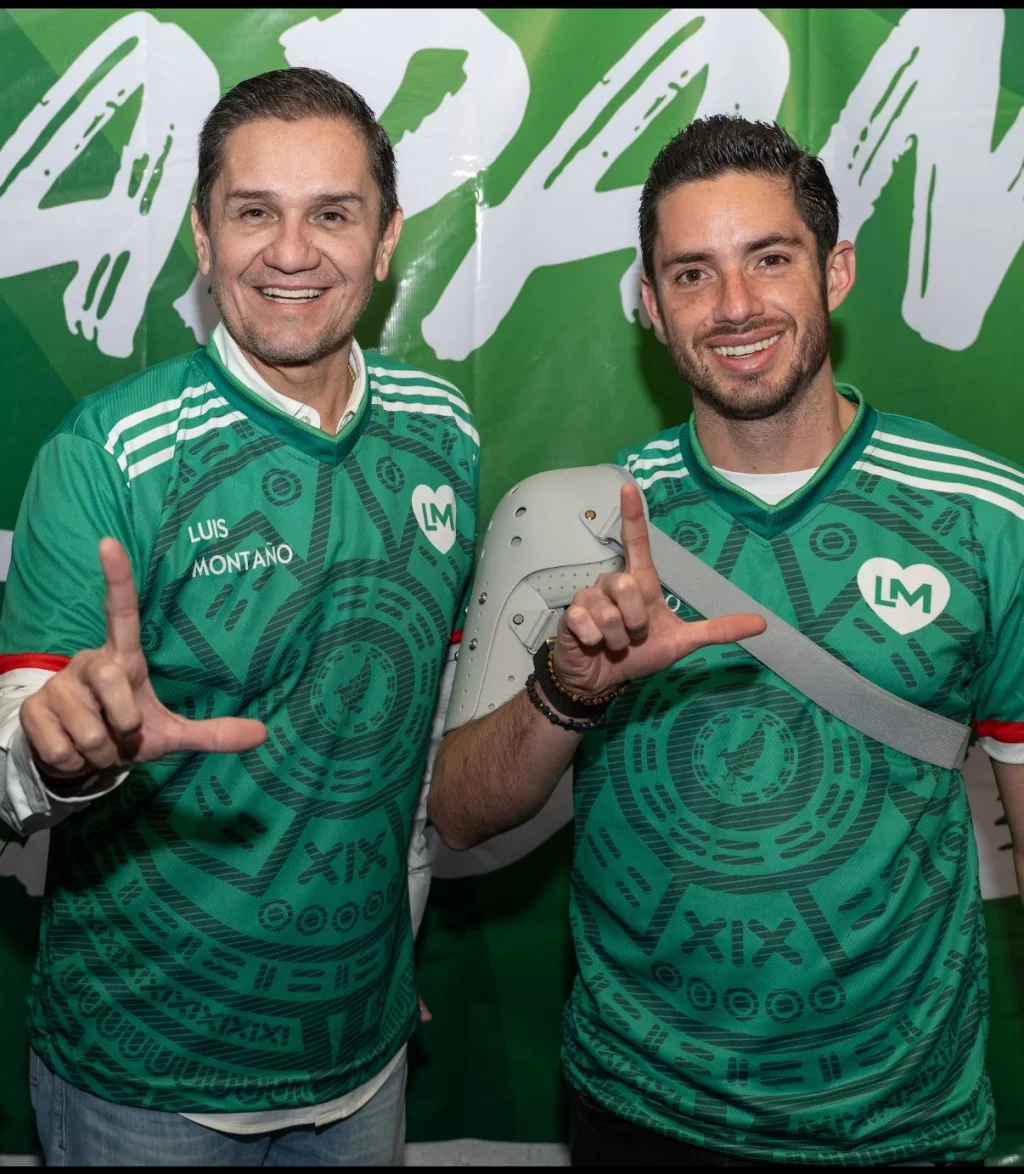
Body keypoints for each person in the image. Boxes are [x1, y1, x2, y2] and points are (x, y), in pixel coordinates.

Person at [429, 115, 1024, 1166]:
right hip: (640, 1113)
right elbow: (459, 814)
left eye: (770, 259)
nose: (736, 305)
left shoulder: (985, 518)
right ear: (650, 305)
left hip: (900, 1129)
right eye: (692, 274)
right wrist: (568, 689)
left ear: (835, 272)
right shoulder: (586, 524)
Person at [0, 67, 477, 1166]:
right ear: (202, 236)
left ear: (388, 239)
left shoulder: (443, 430)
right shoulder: (108, 452)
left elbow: (406, 754)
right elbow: (14, 750)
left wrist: (387, 961)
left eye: (333, 214)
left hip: (361, 1066)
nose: (291, 251)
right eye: (254, 211)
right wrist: (56, 755)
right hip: (143, 1086)